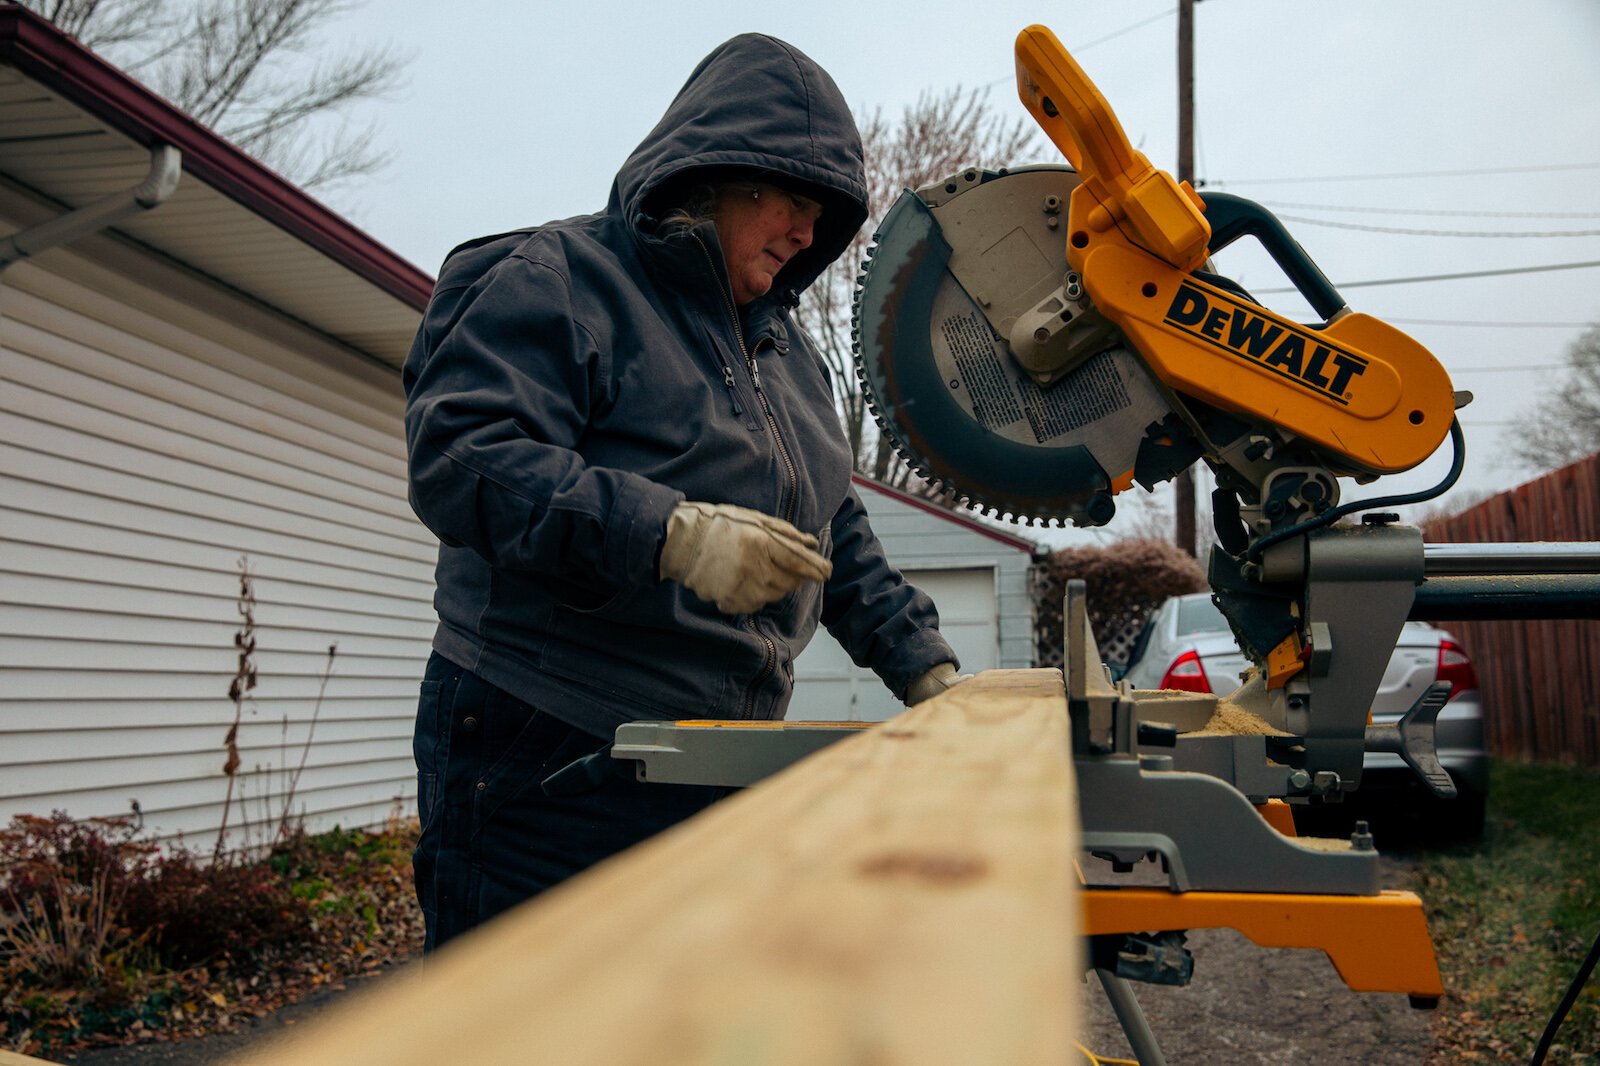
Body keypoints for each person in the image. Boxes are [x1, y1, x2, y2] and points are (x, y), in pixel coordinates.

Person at [402, 33, 962, 952]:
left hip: (713, 759)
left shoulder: (785, 354)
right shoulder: (561, 281)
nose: (807, 231)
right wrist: (669, 534)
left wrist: (924, 667)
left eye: (824, 212)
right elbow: (463, 456)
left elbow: (834, 529)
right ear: (711, 174)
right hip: (550, 748)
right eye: (789, 196)